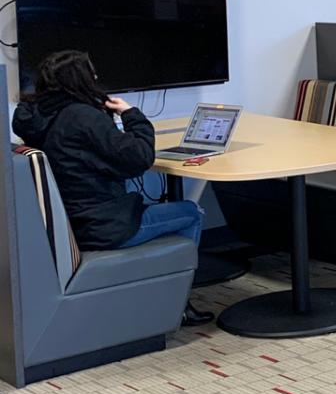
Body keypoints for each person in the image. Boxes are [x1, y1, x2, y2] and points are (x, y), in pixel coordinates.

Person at [11, 50, 212, 326]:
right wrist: (131, 115)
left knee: (149, 203)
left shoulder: (34, 118)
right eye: (92, 74)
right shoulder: (82, 117)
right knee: (191, 212)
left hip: (73, 222)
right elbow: (140, 158)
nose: (96, 78)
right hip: (102, 227)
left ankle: (164, 287)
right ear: (81, 80)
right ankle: (180, 303)